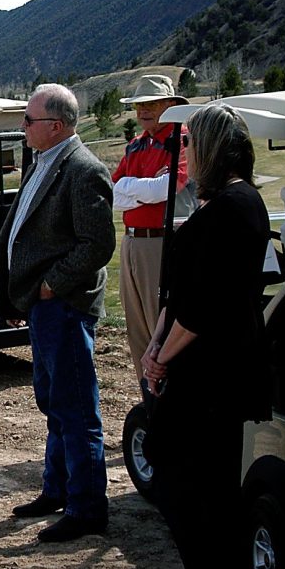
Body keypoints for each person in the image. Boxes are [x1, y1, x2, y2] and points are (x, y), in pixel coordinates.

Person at [141, 103, 271, 569]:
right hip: (204, 371)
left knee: (195, 501)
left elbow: (203, 308)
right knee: (206, 496)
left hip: (211, 377)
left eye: (191, 143)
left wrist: (160, 358)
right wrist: (155, 343)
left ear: (214, 148)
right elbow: (181, 294)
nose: (186, 153)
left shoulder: (233, 209)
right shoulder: (226, 204)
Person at [0, 84, 116, 543]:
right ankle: (58, 489)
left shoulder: (84, 170)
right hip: (43, 306)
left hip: (64, 307)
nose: (23, 127)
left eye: (29, 120)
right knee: (54, 403)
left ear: (57, 126)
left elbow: (97, 245)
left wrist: (51, 285)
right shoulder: (43, 162)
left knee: (76, 409)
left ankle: (87, 508)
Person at [112, 75, 191, 383]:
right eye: (139, 105)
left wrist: (132, 187)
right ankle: (147, 394)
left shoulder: (182, 141)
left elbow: (168, 188)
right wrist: (141, 188)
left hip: (161, 242)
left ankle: (168, 391)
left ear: (170, 105)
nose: (143, 111)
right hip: (132, 241)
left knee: (161, 325)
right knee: (137, 329)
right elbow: (114, 194)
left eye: (152, 104)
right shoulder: (136, 145)